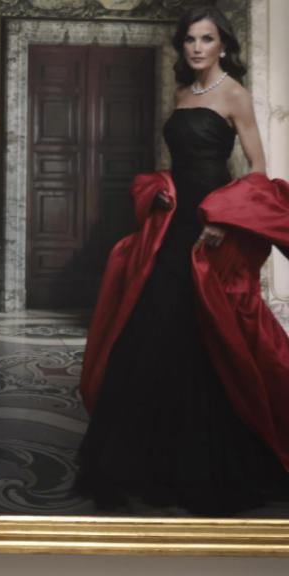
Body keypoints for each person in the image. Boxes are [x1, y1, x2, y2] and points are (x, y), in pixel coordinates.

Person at [78, 6, 289, 516]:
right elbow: (180, 164)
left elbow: (258, 169)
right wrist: (162, 191)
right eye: (190, 39)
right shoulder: (179, 94)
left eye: (206, 39)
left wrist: (226, 220)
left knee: (204, 330)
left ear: (223, 45)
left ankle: (204, 464)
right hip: (173, 223)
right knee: (150, 327)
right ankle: (136, 464)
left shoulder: (234, 94)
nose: (196, 47)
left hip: (212, 225)